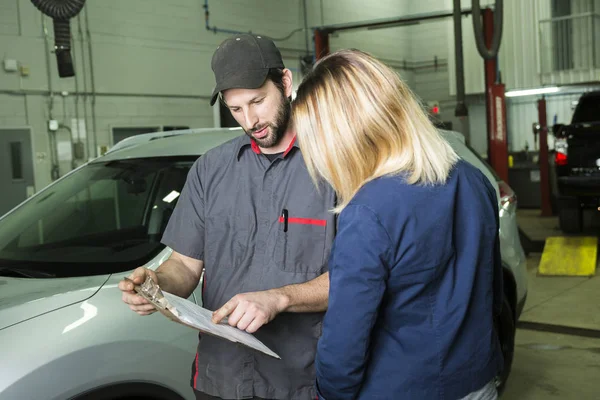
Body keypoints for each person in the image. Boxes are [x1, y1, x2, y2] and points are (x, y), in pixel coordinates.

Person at [119, 34, 336, 400]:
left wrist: (279, 298)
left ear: (285, 83)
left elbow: (362, 277)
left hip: (301, 383)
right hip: (221, 379)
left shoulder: (335, 166)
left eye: (257, 101)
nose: (250, 120)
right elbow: (186, 267)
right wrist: (157, 284)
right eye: (236, 109)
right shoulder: (211, 169)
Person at [292, 49, 504, 400]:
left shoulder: (367, 212)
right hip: (477, 384)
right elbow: (490, 295)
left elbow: (346, 340)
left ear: (345, 138)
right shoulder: (474, 181)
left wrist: (328, 393)